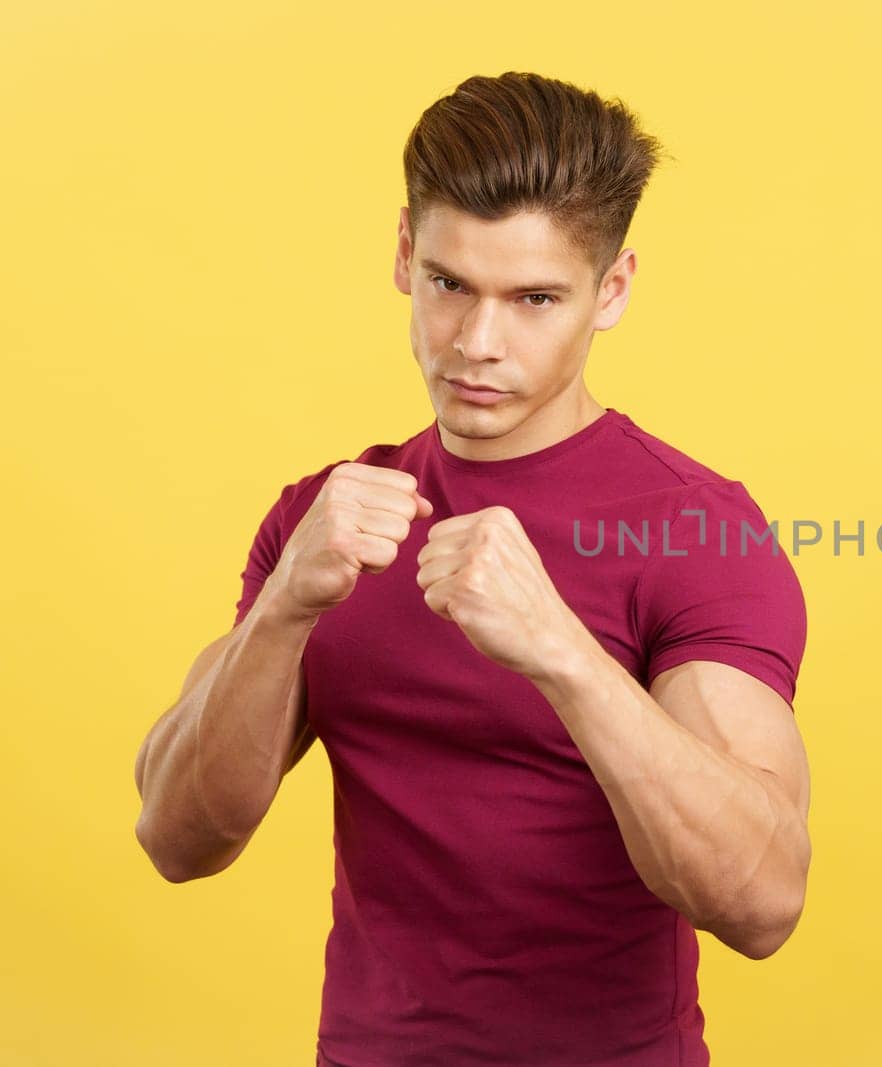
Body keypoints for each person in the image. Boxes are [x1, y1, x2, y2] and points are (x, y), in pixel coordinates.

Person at [131, 71, 811, 1067]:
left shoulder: (693, 529)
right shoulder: (328, 515)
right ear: (405, 254)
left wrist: (563, 656)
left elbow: (762, 900)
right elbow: (177, 838)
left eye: (534, 298)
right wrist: (284, 611)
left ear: (610, 289)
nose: (476, 345)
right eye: (451, 284)